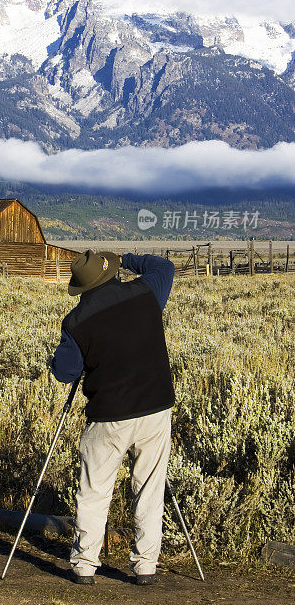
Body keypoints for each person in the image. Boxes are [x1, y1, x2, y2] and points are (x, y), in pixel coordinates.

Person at [51, 249, 175, 586]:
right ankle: (146, 566)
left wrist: (59, 354)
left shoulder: (76, 322)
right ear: (111, 273)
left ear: (82, 287)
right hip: (155, 408)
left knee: (94, 491)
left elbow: (66, 373)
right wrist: (126, 258)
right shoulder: (146, 292)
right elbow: (165, 266)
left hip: (109, 416)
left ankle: (84, 566)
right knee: (150, 489)